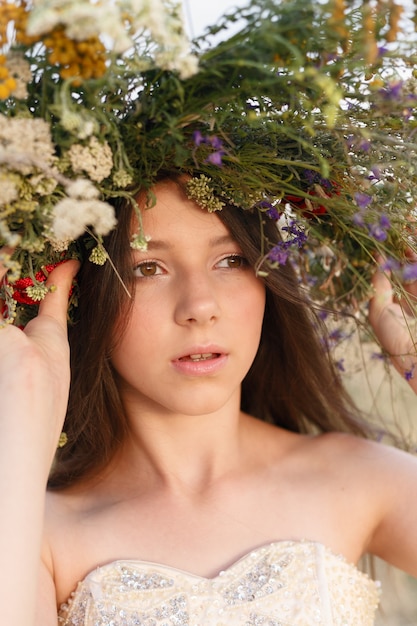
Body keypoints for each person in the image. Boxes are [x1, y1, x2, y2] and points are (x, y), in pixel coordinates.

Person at [1, 175, 417, 626]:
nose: (200, 305)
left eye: (231, 260)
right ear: (81, 293)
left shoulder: (353, 478)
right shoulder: (34, 528)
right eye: (148, 267)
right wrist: (23, 412)